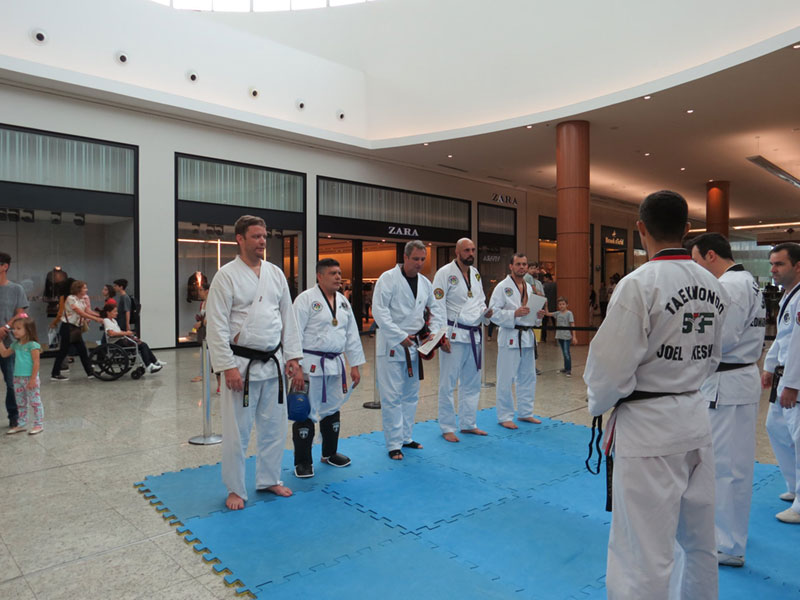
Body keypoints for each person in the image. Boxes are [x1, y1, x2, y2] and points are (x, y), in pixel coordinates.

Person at [584, 190, 725, 600]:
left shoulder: (638, 284)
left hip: (648, 428)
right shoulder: (713, 284)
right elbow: (713, 357)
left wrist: (599, 401)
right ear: (687, 229)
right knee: (699, 543)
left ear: (640, 228)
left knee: (641, 553)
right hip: (695, 417)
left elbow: (609, 369)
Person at [206, 215, 304, 510]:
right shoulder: (226, 276)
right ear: (240, 239)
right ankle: (235, 489)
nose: (262, 241)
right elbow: (216, 325)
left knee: (274, 428)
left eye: (264, 236)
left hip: (273, 362)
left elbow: (287, 317)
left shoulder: (275, 273)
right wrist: (227, 367)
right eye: (256, 236)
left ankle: (269, 479)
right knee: (237, 433)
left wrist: (293, 357)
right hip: (242, 365)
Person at [686, 232, 766, 564]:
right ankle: (731, 532)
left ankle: (729, 543)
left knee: (726, 467)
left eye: (696, 261)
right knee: (732, 464)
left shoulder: (730, 286)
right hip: (735, 381)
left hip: (729, 382)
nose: (695, 268)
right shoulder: (747, 282)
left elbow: (724, 338)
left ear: (711, 256)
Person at [292, 258, 365, 477]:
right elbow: (294, 333)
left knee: (332, 408)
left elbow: (351, 334)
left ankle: (329, 453)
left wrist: (355, 364)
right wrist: (296, 366)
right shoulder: (305, 300)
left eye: (339, 273)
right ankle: (303, 462)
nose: (338, 277)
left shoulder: (343, 302)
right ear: (319, 276)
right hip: (310, 364)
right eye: (333, 273)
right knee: (304, 412)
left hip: (335, 364)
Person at [372, 240, 445, 460]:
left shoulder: (425, 282)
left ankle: (406, 437)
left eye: (423, 259)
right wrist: (399, 336)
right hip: (393, 345)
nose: (419, 263)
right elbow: (379, 312)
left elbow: (436, 309)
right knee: (392, 396)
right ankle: (393, 444)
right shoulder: (387, 279)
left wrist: (433, 333)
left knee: (411, 395)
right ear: (405, 257)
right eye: (415, 259)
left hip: (415, 345)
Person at [432, 238, 492, 442]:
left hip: (474, 334)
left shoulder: (475, 273)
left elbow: (480, 300)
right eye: (466, 250)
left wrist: (485, 312)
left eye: (473, 250)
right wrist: (441, 336)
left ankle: (468, 423)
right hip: (454, 334)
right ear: (457, 252)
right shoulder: (444, 273)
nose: (471, 253)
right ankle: (447, 427)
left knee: (472, 382)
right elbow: (437, 305)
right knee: (448, 383)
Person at [762, 242, 800, 525]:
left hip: (795, 379)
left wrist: (793, 385)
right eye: (772, 264)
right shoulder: (789, 294)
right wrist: (768, 365)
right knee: (774, 426)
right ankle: (793, 485)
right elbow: (783, 338)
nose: (773, 270)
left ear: (798, 266)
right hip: (784, 374)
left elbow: (799, 344)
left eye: (779, 264)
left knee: (799, 438)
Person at [489, 253, 545, 429]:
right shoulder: (502, 287)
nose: (522, 267)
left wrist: (538, 316)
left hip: (527, 336)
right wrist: (513, 313)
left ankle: (525, 413)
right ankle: (504, 416)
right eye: (518, 264)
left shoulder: (529, 287)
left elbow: (530, 315)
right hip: (510, 336)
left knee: (528, 377)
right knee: (506, 378)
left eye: (524, 264)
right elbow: (492, 313)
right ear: (511, 266)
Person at [50, 280, 103, 381]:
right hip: (68, 328)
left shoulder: (81, 299)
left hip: (76, 328)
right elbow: (80, 312)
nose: (86, 290)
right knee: (63, 352)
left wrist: (100, 315)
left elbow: (87, 310)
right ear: (78, 289)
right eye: (84, 288)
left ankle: (90, 373)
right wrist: (96, 319)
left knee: (82, 351)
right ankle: (55, 374)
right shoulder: (71, 299)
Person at [1, 314, 42, 435]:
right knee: (20, 403)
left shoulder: (33, 345)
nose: (15, 331)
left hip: (30, 378)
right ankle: (22, 424)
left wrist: (33, 379)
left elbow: (36, 363)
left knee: (35, 402)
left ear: (28, 329)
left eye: (18, 328)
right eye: (14, 328)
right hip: (17, 378)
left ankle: (38, 424)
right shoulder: (15, 345)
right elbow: (4, 354)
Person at [0, 252, 28, 428]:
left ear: (5, 266)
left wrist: (5, 327)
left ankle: (14, 415)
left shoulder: (16, 289)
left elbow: (21, 314)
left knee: (11, 382)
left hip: (8, 341)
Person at [101, 304, 163, 373]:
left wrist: (127, 333)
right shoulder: (106, 320)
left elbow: (118, 332)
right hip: (116, 342)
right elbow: (111, 333)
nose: (117, 313)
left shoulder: (114, 321)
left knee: (143, 344)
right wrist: (126, 333)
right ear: (108, 312)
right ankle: (149, 365)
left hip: (120, 340)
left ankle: (155, 362)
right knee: (142, 345)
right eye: (114, 311)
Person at [545, 296, 577, 377]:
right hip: (559, 336)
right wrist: (546, 305)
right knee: (564, 353)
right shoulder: (557, 313)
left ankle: (568, 370)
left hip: (566, 336)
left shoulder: (569, 313)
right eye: (560, 304)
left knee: (566, 353)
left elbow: (572, 324)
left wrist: (574, 336)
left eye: (563, 304)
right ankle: (566, 368)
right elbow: (547, 313)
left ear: (567, 305)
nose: (561, 306)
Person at [541, 273, 557, 342]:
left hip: (546, 306)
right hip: (554, 306)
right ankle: (557, 338)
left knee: (544, 323)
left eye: (544, 278)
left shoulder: (544, 285)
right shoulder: (556, 285)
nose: (544, 279)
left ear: (547, 278)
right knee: (555, 323)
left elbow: (542, 295)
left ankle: (543, 338)